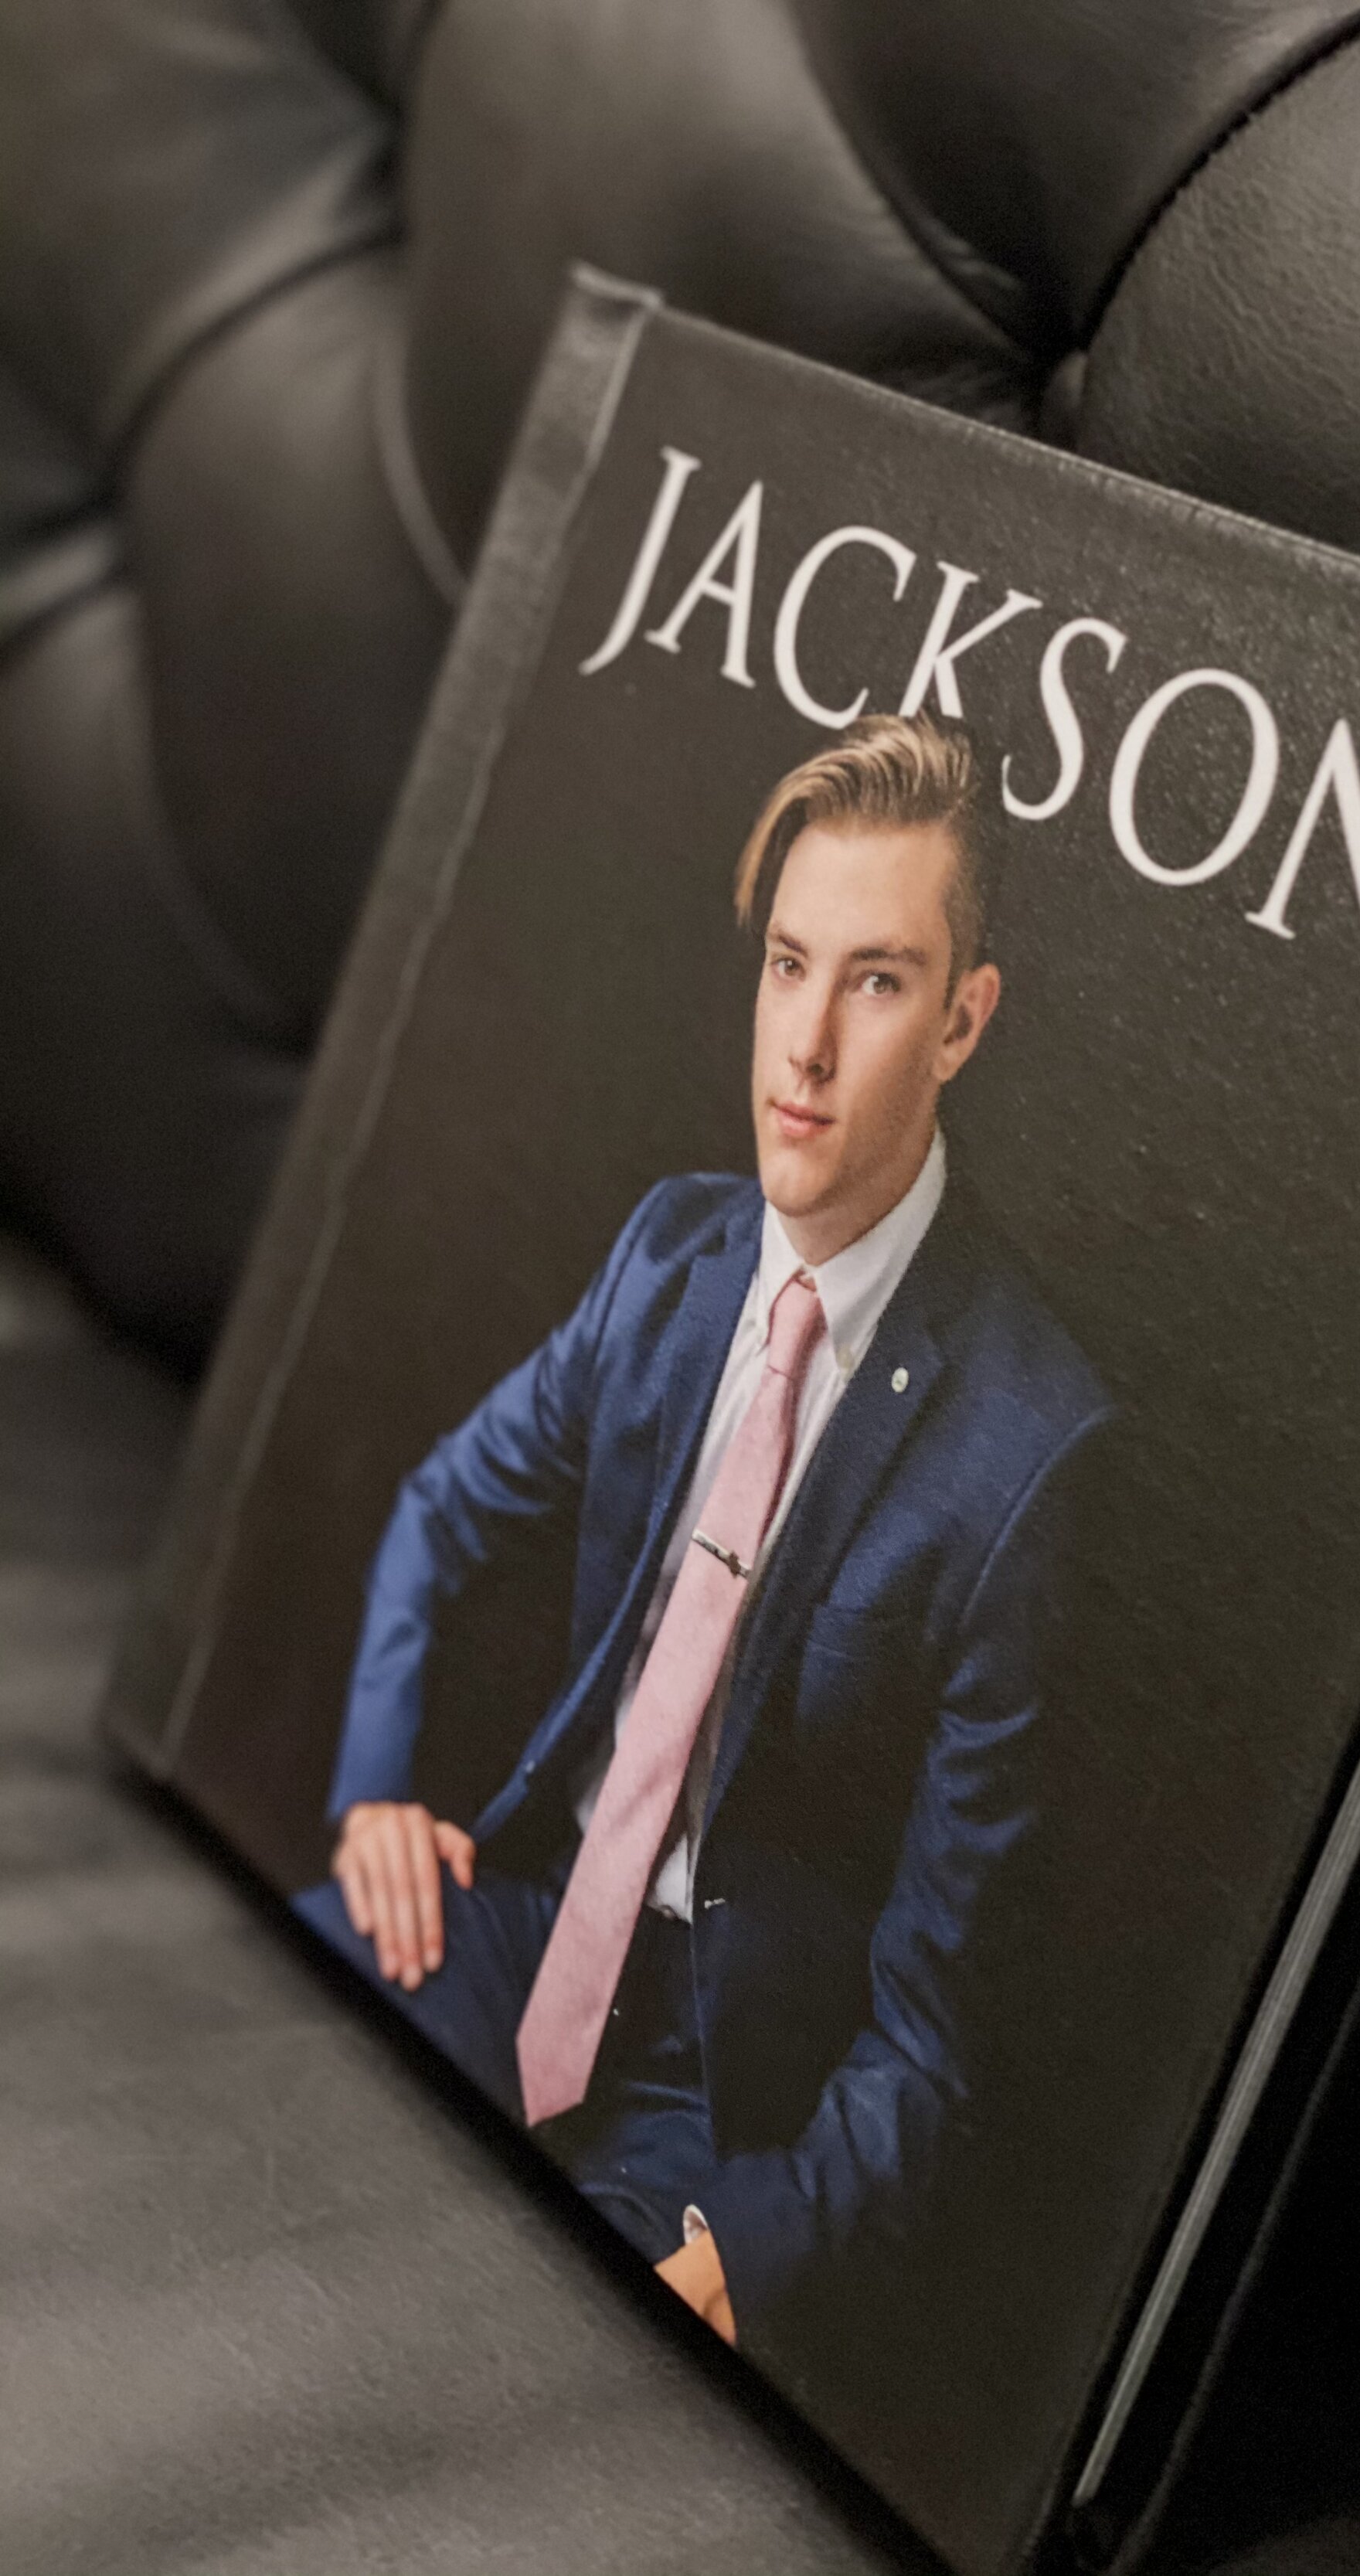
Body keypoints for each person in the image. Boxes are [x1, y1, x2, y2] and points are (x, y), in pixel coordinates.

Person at [296, 711, 1110, 2352]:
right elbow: (443, 1510)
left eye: (874, 982)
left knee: (519, 2387)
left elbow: (936, 2033)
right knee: (252, 2043)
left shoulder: (1030, 1446)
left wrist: (754, 2245)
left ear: (963, 1021)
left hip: (724, 2079)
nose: (800, 1046)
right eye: (787, 965)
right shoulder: (669, 1258)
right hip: (524, 1921)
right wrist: (377, 1782)